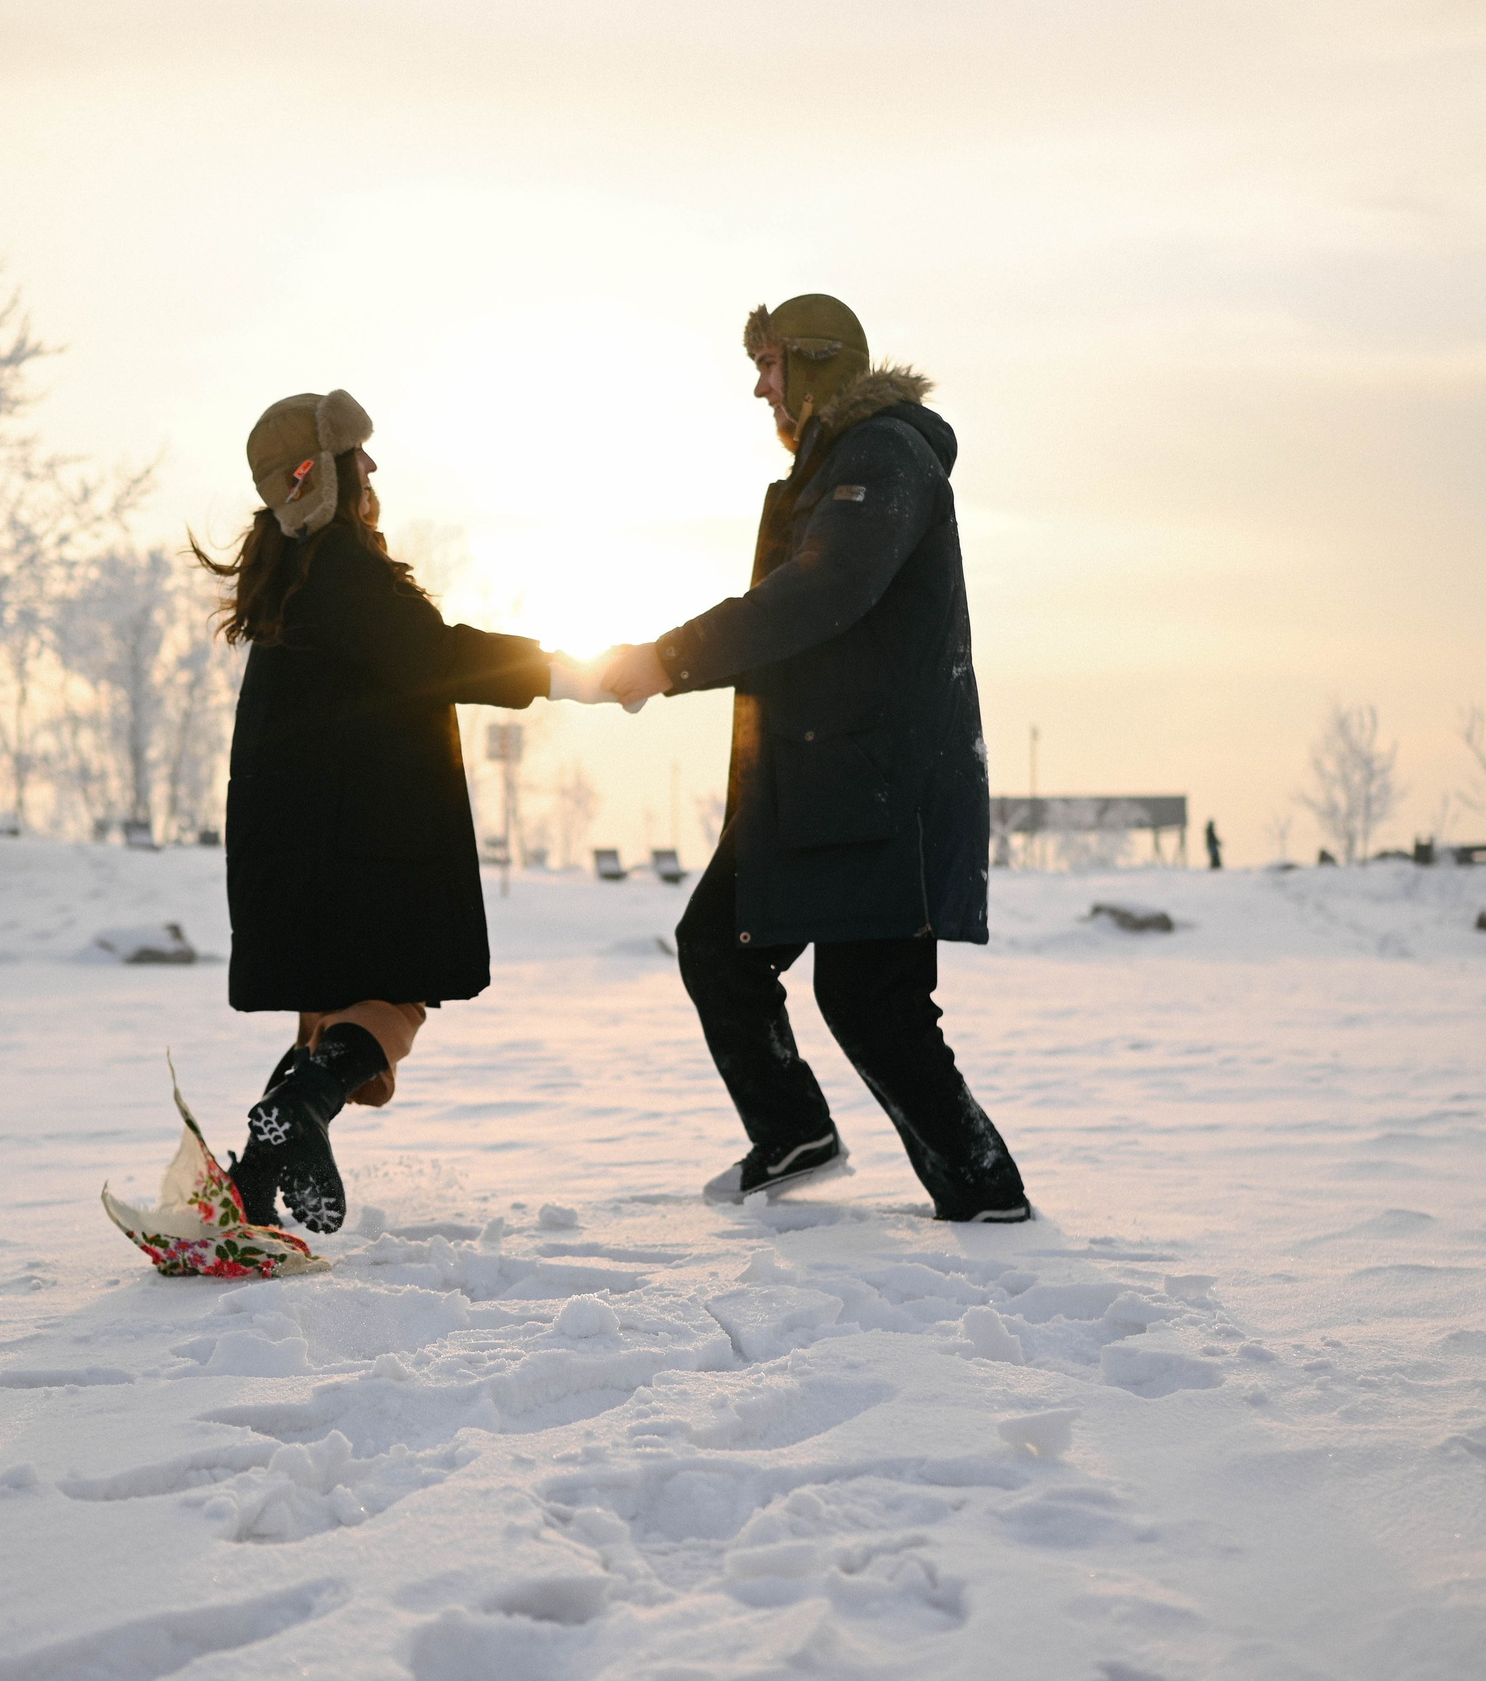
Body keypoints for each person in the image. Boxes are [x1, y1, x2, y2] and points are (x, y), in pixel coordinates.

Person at [600, 297, 1032, 1224]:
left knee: (872, 997)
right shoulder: (833, 468)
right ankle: (794, 1132)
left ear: (819, 362)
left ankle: (985, 1193)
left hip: (878, 783)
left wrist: (670, 658)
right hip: (815, 778)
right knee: (721, 946)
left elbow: (821, 590)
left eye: (771, 363)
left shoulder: (885, 454)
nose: (760, 387)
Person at [192, 390, 607, 1233]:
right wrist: (566, 671)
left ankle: (250, 1184)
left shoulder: (292, 572)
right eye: (356, 456)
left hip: (303, 841)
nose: (373, 467)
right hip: (358, 842)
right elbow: (438, 655)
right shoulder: (341, 569)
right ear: (322, 475)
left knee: (334, 1017)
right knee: (392, 1003)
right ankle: (299, 1109)